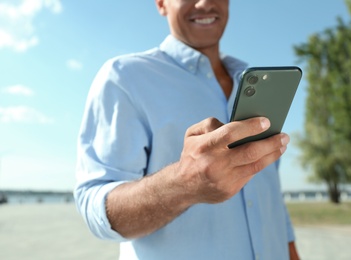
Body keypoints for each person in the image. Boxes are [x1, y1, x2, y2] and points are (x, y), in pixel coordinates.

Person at [74, 0, 300, 259]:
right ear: (161, 4)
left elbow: (271, 199)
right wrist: (183, 184)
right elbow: (95, 208)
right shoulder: (125, 77)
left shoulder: (252, 80)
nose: (204, 2)